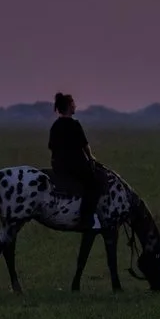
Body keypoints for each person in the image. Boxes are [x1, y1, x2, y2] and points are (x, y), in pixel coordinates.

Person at [48, 92, 106, 231]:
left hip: (58, 165)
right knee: (95, 184)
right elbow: (85, 145)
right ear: (68, 106)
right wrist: (91, 158)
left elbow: (51, 146)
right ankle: (87, 218)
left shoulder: (55, 125)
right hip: (74, 165)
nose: (75, 106)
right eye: (73, 104)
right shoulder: (74, 125)